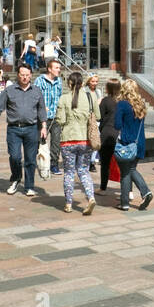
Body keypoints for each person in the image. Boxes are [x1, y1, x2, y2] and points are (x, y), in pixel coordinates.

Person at [0, 61, 48, 198]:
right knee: (15, 157)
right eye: (22, 75)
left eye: (27, 75)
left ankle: (29, 186)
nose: (25, 77)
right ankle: (16, 178)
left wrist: (43, 127)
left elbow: (41, 111)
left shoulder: (37, 91)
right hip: (14, 129)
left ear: (31, 75)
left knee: (30, 159)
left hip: (31, 129)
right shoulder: (9, 90)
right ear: (18, 75)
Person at [55, 71, 99, 215]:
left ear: (69, 83)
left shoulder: (63, 99)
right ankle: (91, 197)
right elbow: (97, 115)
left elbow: (60, 120)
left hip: (68, 140)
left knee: (69, 172)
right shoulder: (90, 96)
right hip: (85, 140)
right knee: (83, 170)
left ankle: (68, 203)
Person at [113, 80, 154, 211]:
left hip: (126, 142)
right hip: (139, 142)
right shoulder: (141, 104)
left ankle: (130, 200)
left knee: (126, 172)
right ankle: (142, 194)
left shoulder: (122, 104)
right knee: (131, 169)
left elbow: (117, 125)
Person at [35, 58, 64, 175]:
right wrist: (41, 107)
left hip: (56, 117)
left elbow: (60, 97)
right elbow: (34, 96)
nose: (59, 70)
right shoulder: (40, 80)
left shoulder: (59, 81)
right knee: (41, 141)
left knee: (56, 142)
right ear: (49, 69)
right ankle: (40, 162)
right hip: (43, 118)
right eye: (56, 68)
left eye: (59, 68)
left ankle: (54, 165)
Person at [97, 79, 120, 192]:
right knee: (124, 165)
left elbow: (99, 116)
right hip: (119, 134)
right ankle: (128, 190)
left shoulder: (106, 101)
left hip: (106, 134)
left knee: (105, 163)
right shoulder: (122, 102)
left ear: (108, 88)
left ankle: (103, 187)